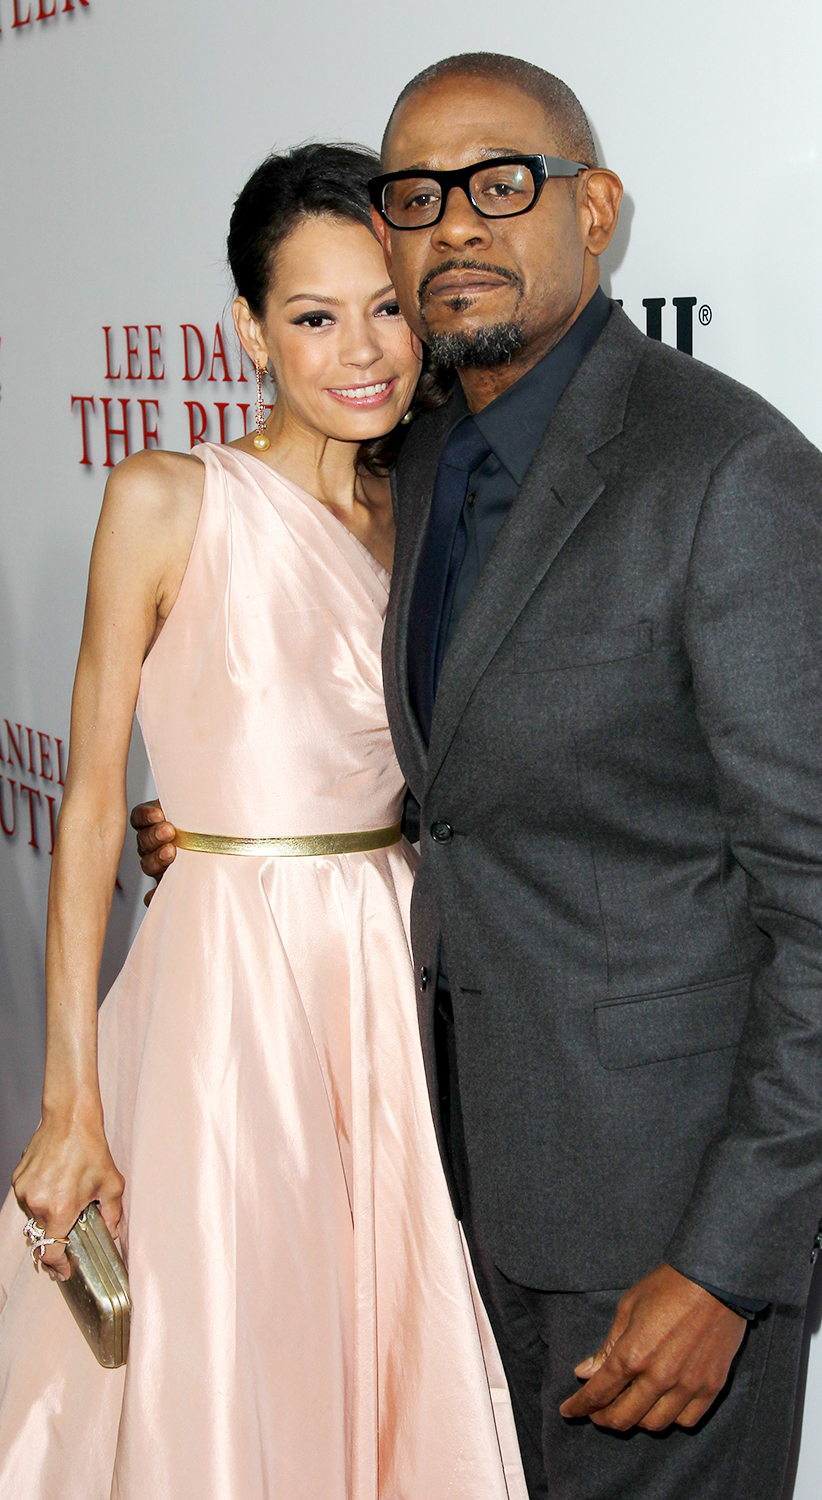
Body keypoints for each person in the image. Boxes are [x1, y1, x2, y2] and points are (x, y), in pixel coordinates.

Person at [135, 52, 822, 1500]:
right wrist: (229, 830)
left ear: (598, 208)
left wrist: (728, 1269)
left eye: (505, 184)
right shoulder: (424, 461)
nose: (458, 227)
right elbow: (442, 784)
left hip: (653, 1243)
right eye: (417, 198)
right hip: (448, 1190)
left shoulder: (728, 473)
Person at [0, 142, 525, 1500]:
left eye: (387, 306)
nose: (362, 350)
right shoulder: (170, 500)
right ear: (247, 329)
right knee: (234, 1346)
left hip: (393, 984)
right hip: (226, 1002)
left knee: (382, 1340)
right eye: (311, 315)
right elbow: (101, 804)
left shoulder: (437, 515)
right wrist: (70, 1103)